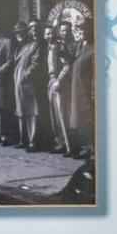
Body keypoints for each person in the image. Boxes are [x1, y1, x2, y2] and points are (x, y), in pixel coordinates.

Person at [13, 20, 46, 152]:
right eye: (16, 33)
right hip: (19, 84)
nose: (18, 34)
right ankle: (23, 140)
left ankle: (32, 142)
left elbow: (36, 64)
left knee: (32, 112)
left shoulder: (34, 45)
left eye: (21, 32)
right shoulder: (20, 47)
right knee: (21, 112)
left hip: (28, 84)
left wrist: (25, 76)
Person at [68, 24, 95, 159]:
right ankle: (84, 148)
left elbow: (94, 74)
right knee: (78, 119)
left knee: (87, 119)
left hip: (85, 90)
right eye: (82, 29)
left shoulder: (94, 50)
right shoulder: (81, 46)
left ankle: (90, 149)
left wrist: (93, 92)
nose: (83, 32)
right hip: (76, 89)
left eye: (86, 29)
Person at [48, 21, 73, 155]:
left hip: (60, 82)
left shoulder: (62, 47)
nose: (65, 33)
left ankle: (69, 147)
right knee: (55, 116)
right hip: (52, 80)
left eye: (67, 31)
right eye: (62, 30)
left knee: (63, 115)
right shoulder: (54, 45)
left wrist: (59, 80)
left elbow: (67, 65)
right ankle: (60, 143)